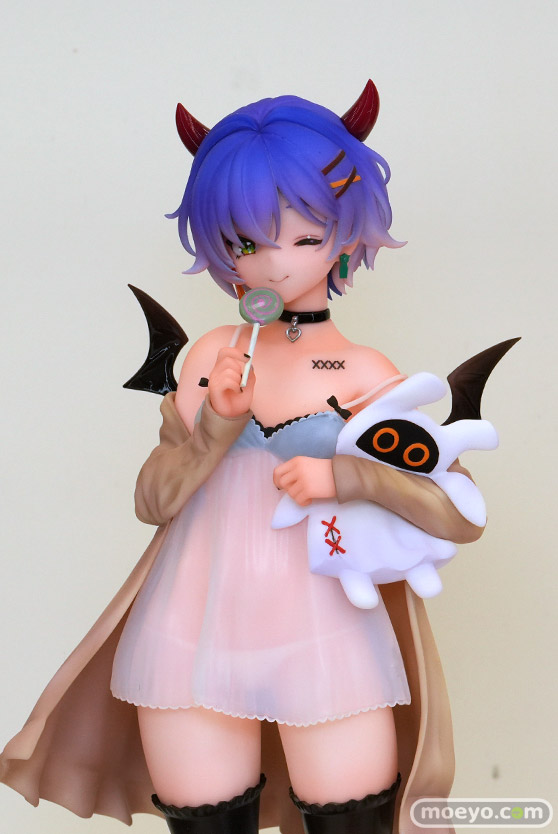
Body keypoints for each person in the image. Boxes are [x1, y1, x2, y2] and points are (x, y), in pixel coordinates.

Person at [0, 83, 482, 834]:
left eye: (304, 236)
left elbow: (457, 513)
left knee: (353, 817)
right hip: (188, 632)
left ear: (345, 234)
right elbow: (154, 501)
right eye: (246, 243)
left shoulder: (364, 372)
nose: (274, 264)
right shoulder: (209, 357)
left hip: (328, 632)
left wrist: (345, 474)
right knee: (204, 816)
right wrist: (214, 431)